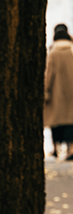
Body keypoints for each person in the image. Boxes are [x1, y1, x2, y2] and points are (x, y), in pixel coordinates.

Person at [44, 23, 73, 159]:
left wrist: (46, 91)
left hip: (56, 95)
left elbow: (48, 74)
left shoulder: (53, 53)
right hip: (72, 94)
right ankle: (71, 149)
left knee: (55, 123)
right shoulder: (72, 50)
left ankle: (55, 148)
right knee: (71, 122)